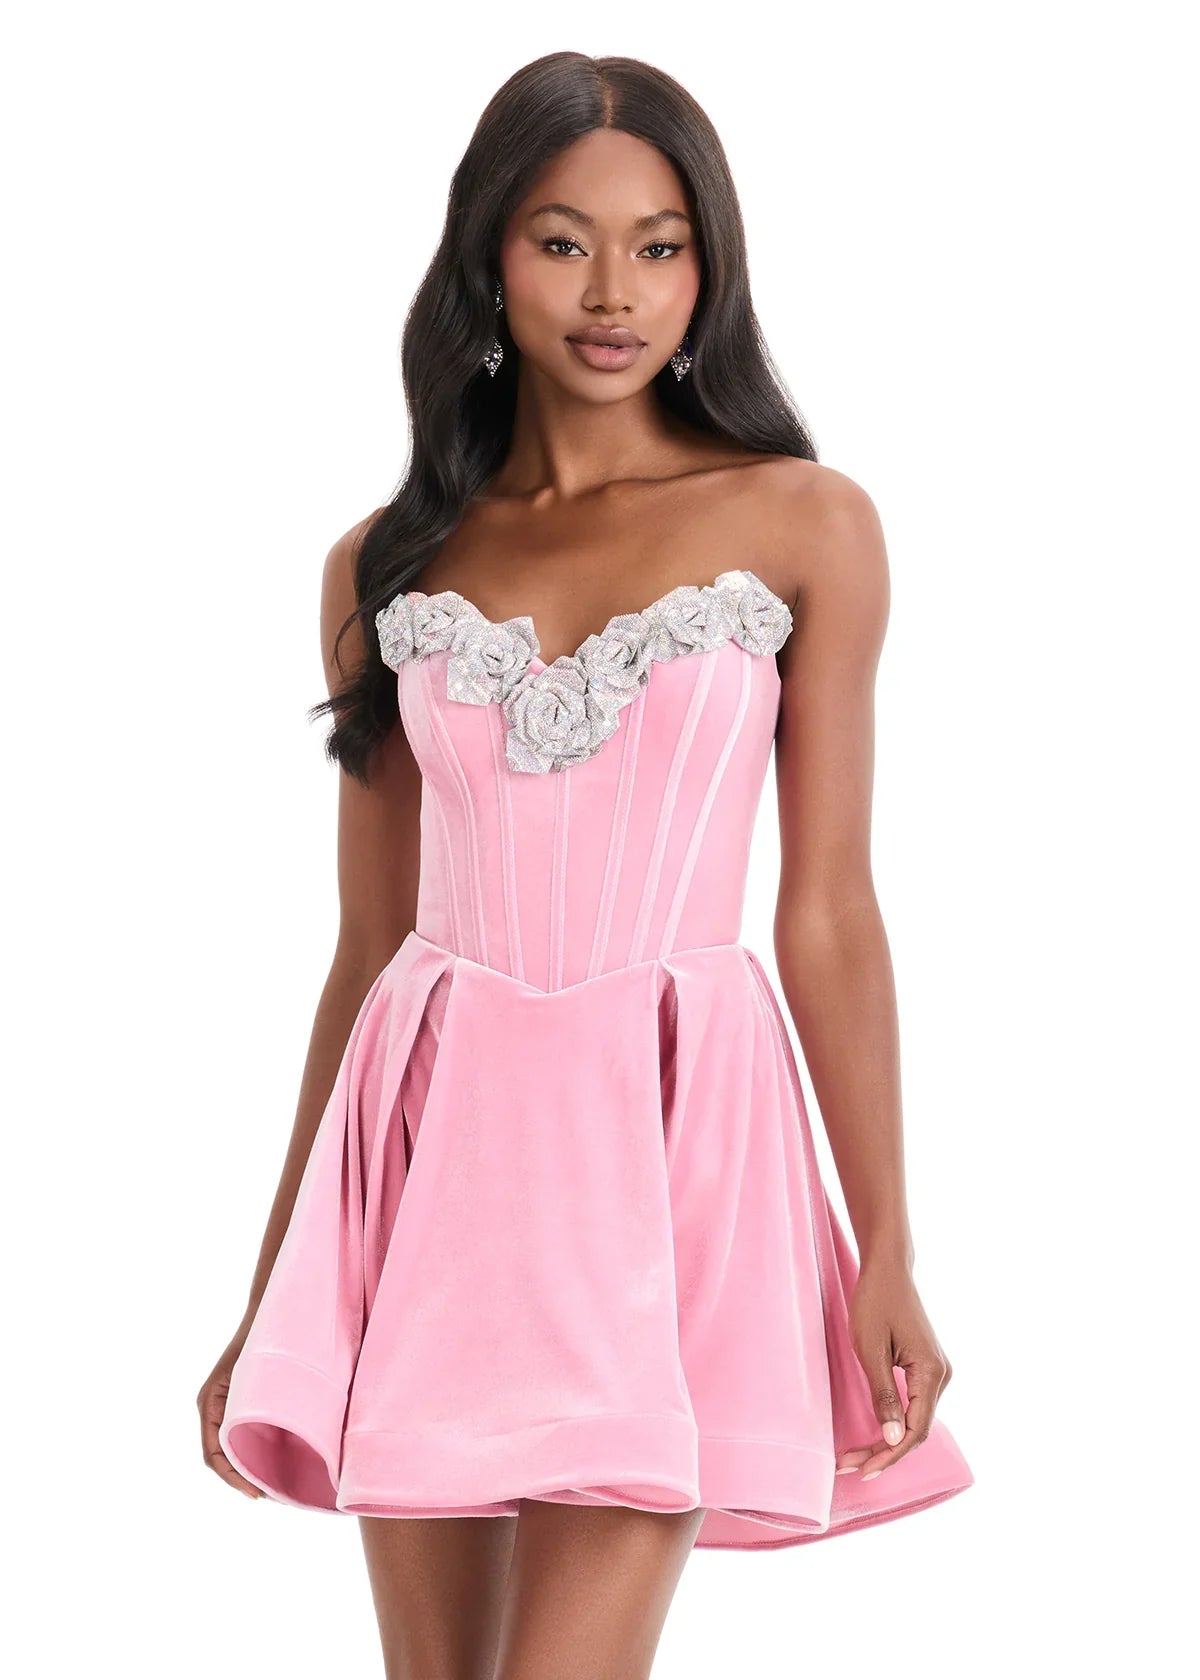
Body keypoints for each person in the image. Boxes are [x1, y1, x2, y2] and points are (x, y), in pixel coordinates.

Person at [198, 50, 974, 1680]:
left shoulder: (807, 521)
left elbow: (829, 909)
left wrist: (887, 1238)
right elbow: (365, 949)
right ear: (489, 256)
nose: (614, 292)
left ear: (710, 270)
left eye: (660, 245)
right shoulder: (384, 564)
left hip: (672, 1155)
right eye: (563, 241)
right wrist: (277, 1288)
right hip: (437, 1169)